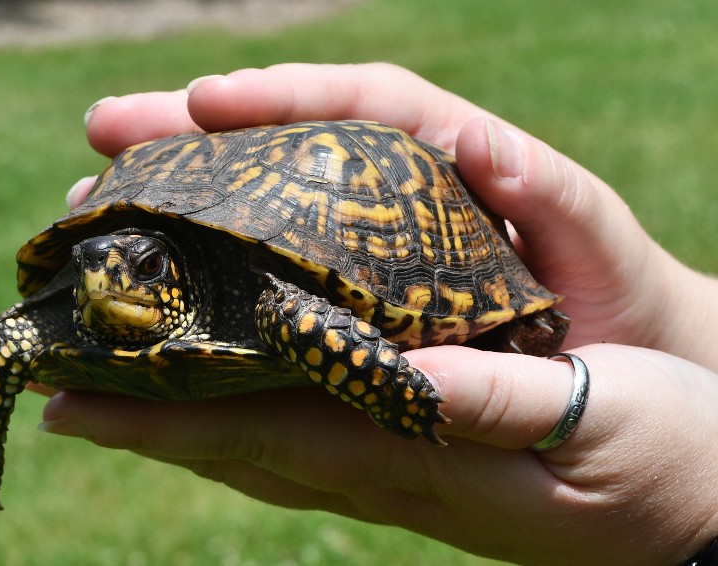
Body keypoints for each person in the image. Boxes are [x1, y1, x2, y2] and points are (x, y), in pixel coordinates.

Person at [36, 63, 718, 565]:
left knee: (294, 317)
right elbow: (6, 336)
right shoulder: (89, 295)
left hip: (370, 268)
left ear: (174, 274)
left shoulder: (274, 302)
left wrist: (698, 523)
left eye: (144, 267)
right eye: (93, 265)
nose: (104, 278)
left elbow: (300, 313)